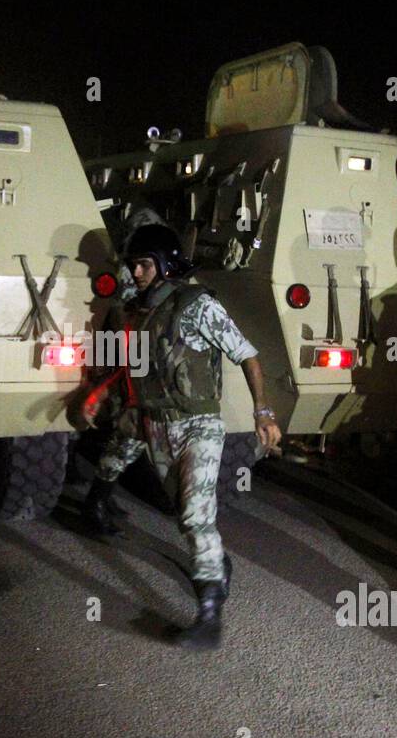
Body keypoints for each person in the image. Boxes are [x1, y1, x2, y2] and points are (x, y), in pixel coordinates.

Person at [80, 220, 281, 650]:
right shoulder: (138, 311)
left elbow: (248, 356)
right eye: (133, 265)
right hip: (155, 425)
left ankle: (209, 616)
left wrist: (263, 411)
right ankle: (216, 563)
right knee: (186, 513)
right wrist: (100, 392)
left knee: (194, 515)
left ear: (166, 264)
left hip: (198, 426)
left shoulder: (197, 306)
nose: (135, 273)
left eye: (144, 265)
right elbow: (133, 368)